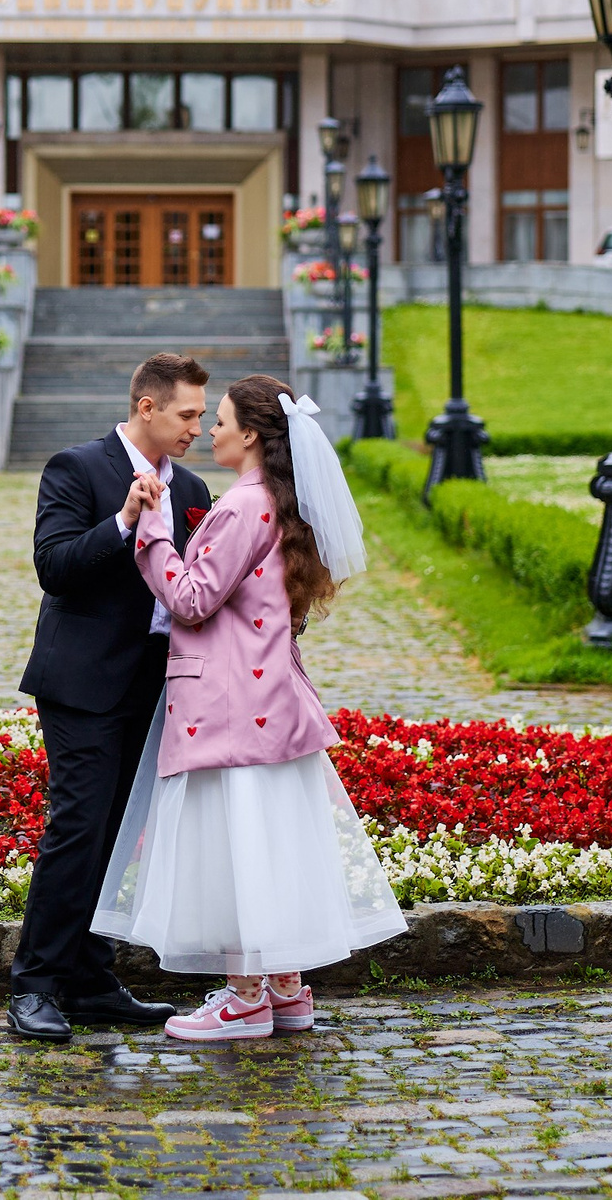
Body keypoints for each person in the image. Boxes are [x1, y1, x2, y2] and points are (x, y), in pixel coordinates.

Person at [93, 374, 407, 1041]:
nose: (211, 430)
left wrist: (151, 527)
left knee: (236, 849)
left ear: (252, 434)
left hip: (231, 705)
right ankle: (287, 987)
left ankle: (244, 997)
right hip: (271, 700)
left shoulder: (241, 506)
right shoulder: (279, 503)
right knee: (271, 843)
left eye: (223, 420)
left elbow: (191, 598)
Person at [6, 351, 217, 1042]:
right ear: (148, 407)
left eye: (202, 414)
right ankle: (35, 985)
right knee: (78, 828)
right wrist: (124, 520)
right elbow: (54, 568)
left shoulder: (193, 486)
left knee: (119, 839)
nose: (197, 426)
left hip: (155, 689)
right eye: (188, 414)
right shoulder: (77, 467)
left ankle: (91, 979)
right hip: (84, 683)